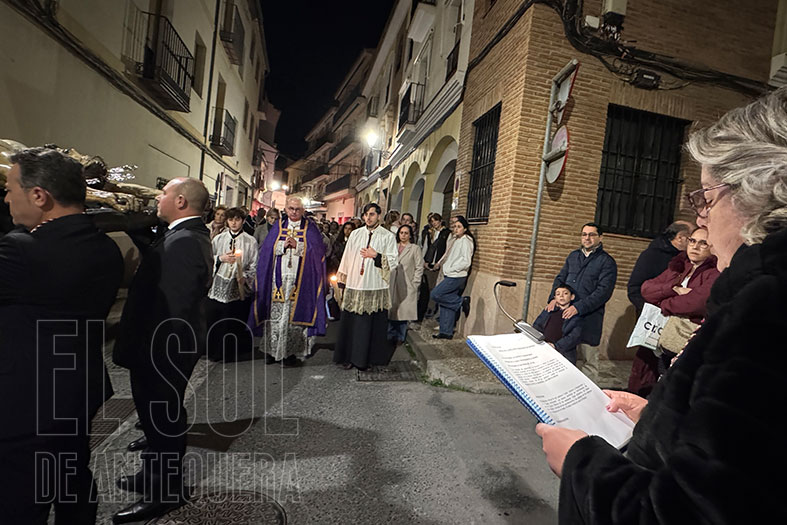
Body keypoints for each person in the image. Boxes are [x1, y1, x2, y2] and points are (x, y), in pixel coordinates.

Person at [537, 87, 787, 524]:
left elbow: (689, 512)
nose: (701, 219)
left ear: (755, 195)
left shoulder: (766, 312)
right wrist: (655, 419)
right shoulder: (756, 293)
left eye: (706, 198)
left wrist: (580, 462)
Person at [0, 147, 123, 525]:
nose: (6, 199)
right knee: (72, 476)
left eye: (10, 189)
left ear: (39, 195)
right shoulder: (107, 248)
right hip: (78, 387)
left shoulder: (21, 251)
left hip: (27, 398)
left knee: (19, 498)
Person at [112, 177, 213, 523]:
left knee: (163, 421)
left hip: (165, 347)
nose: (158, 198)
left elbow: (174, 307)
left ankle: (166, 492)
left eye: (164, 193)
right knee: (155, 419)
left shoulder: (185, 241)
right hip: (163, 346)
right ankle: (151, 475)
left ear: (181, 201)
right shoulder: (183, 234)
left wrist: (154, 354)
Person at [250, 197, 327, 366]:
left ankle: (290, 352)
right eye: (291, 208)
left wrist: (299, 246)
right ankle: (272, 350)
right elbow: (267, 250)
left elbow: (318, 252)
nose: (294, 212)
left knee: (293, 318)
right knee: (275, 316)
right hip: (278, 279)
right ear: (285, 209)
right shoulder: (278, 226)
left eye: (297, 209)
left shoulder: (310, 228)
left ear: (303, 210)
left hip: (300, 280)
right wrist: (282, 245)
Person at [626, 220, 693, 395]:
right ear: (681, 237)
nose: (693, 245)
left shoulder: (686, 261)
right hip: (653, 319)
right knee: (646, 365)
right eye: (692, 239)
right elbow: (636, 289)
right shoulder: (652, 255)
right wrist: (651, 310)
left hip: (675, 323)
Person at [640, 226, 719, 376]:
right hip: (663, 339)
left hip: (687, 341)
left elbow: (697, 303)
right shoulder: (679, 266)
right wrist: (673, 289)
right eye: (692, 241)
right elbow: (646, 289)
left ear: (713, 246)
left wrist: (663, 303)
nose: (695, 247)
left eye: (703, 243)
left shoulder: (715, 272)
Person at [547, 223, 617, 383]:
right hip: (565, 316)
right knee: (562, 355)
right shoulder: (573, 256)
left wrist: (578, 307)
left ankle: (586, 393)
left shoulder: (607, 262)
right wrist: (553, 298)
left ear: (600, 237)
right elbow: (560, 279)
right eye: (584, 234)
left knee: (588, 360)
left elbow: (603, 292)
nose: (587, 238)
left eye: (592, 235)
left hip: (589, 318)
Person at [334, 203, 398, 370]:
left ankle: (366, 360)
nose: (368, 218)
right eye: (366, 214)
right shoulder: (355, 234)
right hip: (354, 284)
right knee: (351, 324)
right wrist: (342, 281)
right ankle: (349, 357)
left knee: (370, 326)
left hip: (374, 285)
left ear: (379, 216)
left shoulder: (387, 236)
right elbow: (347, 257)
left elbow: (393, 262)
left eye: (372, 214)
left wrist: (376, 255)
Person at [205, 207, 258, 361]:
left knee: (233, 320)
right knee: (216, 319)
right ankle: (214, 351)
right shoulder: (219, 239)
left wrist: (245, 277)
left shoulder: (250, 241)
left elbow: (254, 264)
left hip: (238, 286)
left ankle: (231, 352)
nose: (234, 223)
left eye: (237, 220)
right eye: (230, 220)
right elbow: (209, 258)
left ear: (243, 221)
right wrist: (220, 258)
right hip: (219, 284)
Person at [430, 216, 475, 339]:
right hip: (450, 273)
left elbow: (466, 261)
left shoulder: (466, 241)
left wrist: (452, 268)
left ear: (465, 229)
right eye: (455, 226)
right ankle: (446, 331)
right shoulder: (455, 240)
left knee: (436, 294)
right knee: (445, 303)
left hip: (457, 275)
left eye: (459, 227)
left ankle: (461, 302)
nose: (456, 229)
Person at [388, 224, 424, 346]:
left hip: (407, 283)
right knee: (392, 309)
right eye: (401, 233)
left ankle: (400, 336)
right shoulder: (393, 247)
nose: (403, 235)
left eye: (406, 233)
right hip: (393, 282)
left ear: (410, 235)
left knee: (403, 311)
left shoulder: (414, 249)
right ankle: (390, 334)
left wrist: (415, 283)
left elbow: (419, 266)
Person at [532, 284, 583, 365]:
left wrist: (556, 346)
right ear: (555, 298)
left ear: (572, 297)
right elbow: (537, 326)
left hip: (564, 353)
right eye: (558, 294)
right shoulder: (548, 310)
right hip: (544, 349)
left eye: (565, 293)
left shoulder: (575, 315)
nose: (561, 296)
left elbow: (574, 336)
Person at [422, 213, 451, 318]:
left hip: (439, 264)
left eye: (436, 220)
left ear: (440, 220)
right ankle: (426, 308)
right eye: (432, 221)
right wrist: (424, 261)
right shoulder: (430, 233)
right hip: (429, 263)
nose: (434, 223)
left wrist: (439, 263)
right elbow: (426, 247)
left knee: (435, 288)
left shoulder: (447, 233)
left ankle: (432, 308)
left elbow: (447, 250)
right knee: (426, 287)